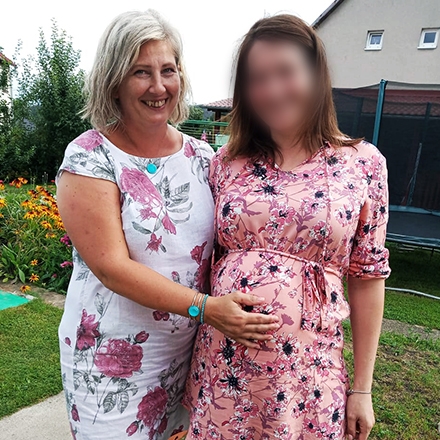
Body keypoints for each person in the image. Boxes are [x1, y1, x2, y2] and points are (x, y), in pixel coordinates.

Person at [56, 10, 279, 440]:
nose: (159, 87)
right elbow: (111, 268)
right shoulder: (90, 157)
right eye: (141, 72)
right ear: (114, 81)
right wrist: (207, 308)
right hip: (109, 359)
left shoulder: (203, 157)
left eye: (168, 70)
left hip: (187, 354)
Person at [184, 14, 390, 440]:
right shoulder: (225, 163)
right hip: (223, 369)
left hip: (307, 378)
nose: (272, 90)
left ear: (315, 74)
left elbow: (367, 277)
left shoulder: (364, 164)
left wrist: (363, 389)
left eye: (285, 72)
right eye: (258, 79)